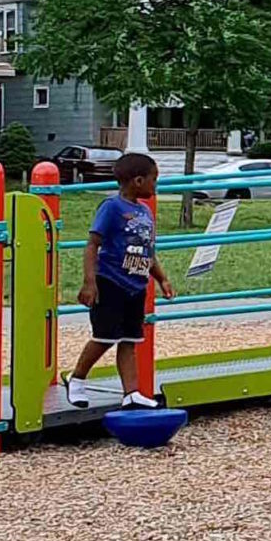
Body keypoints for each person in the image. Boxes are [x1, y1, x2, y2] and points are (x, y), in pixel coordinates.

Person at [64, 152, 174, 409]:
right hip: (110, 283)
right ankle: (77, 378)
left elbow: (148, 251)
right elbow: (92, 245)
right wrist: (90, 282)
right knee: (104, 336)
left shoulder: (145, 212)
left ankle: (131, 393)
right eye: (153, 180)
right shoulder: (112, 208)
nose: (155, 185)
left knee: (129, 340)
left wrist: (162, 279)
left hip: (135, 286)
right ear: (138, 180)